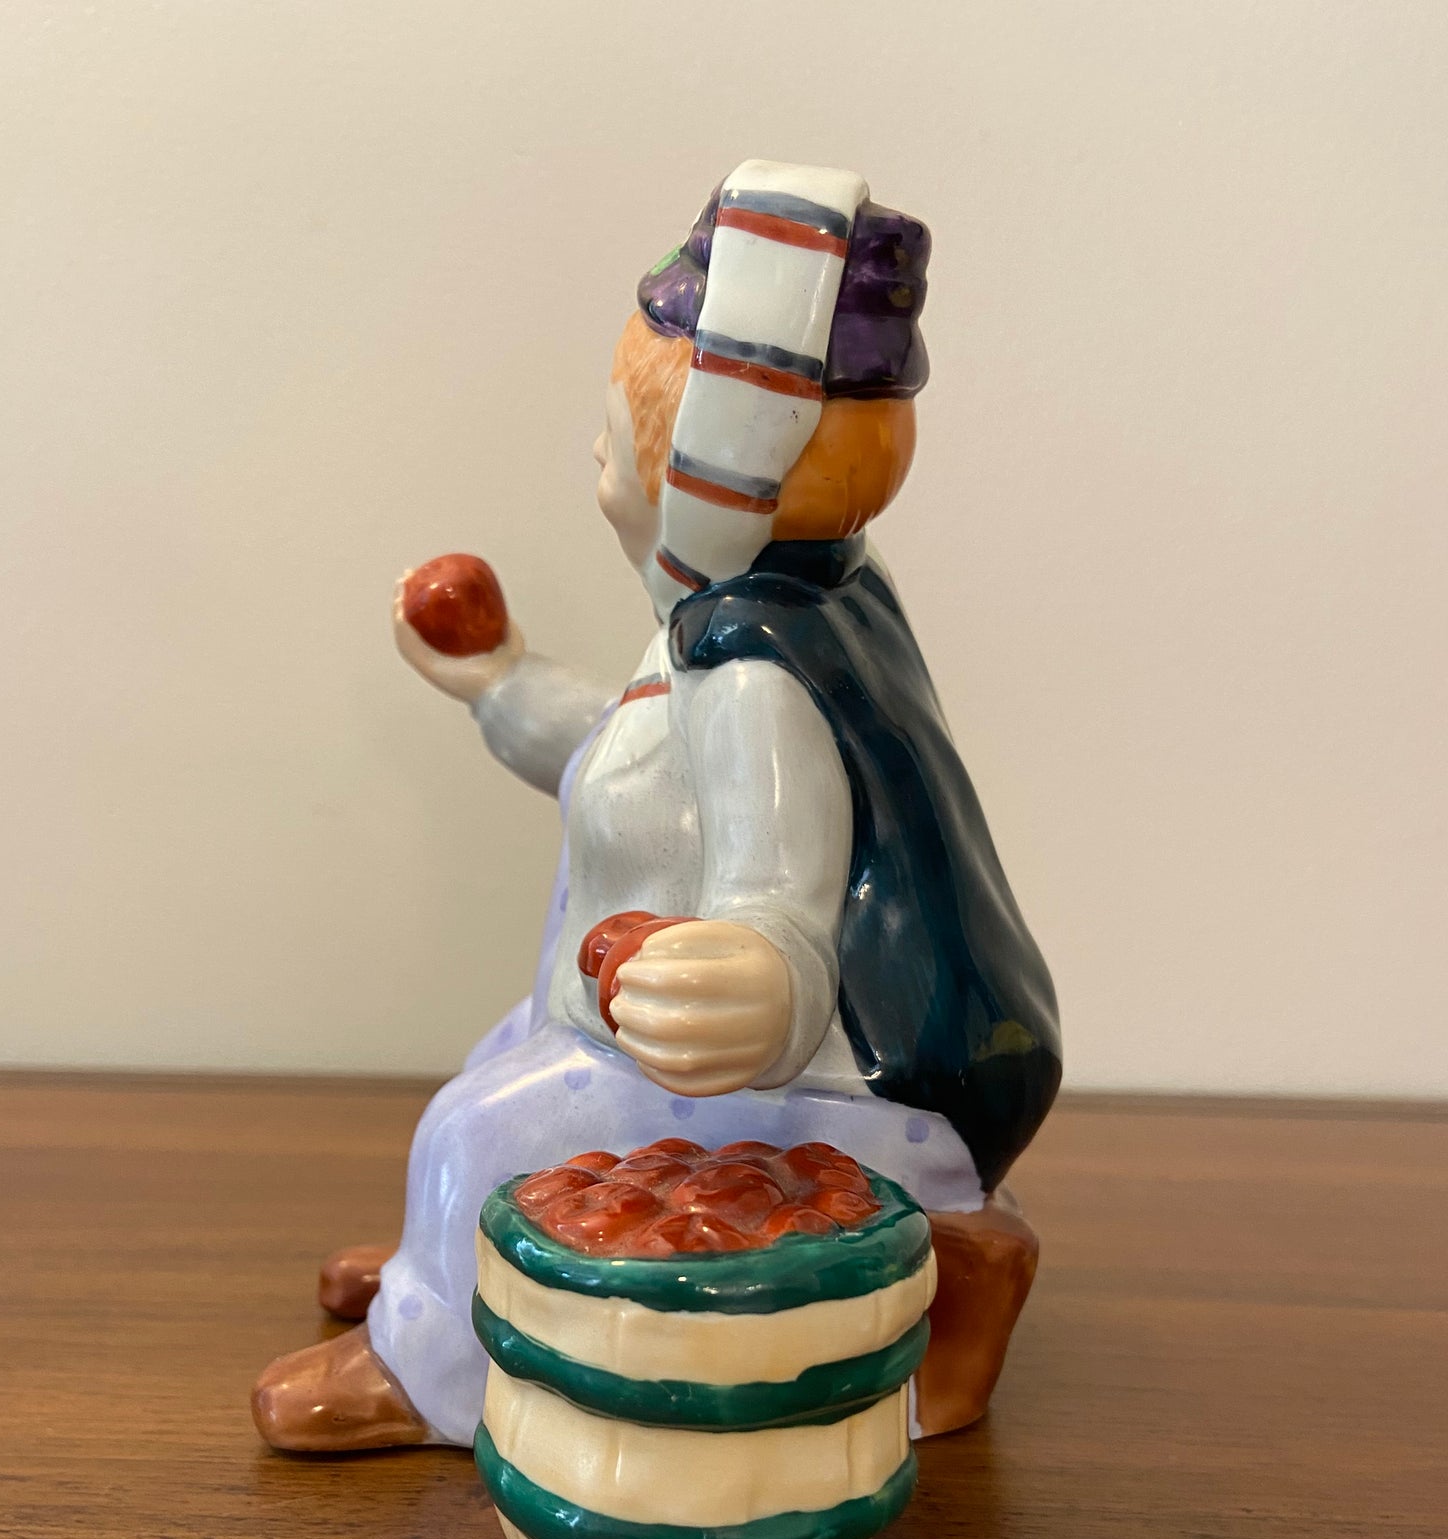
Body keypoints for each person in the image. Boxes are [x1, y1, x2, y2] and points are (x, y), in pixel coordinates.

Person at [253, 160, 1061, 1454]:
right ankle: (446, 1254)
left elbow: (782, 893)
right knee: (496, 1067)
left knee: (471, 1127)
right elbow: (624, 759)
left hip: (817, 1087)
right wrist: (502, 679)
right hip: (648, 1022)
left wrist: (754, 979)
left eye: (622, 426)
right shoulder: (753, 614)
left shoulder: (750, 669)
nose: (598, 448)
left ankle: (431, 1364)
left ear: (705, 473)